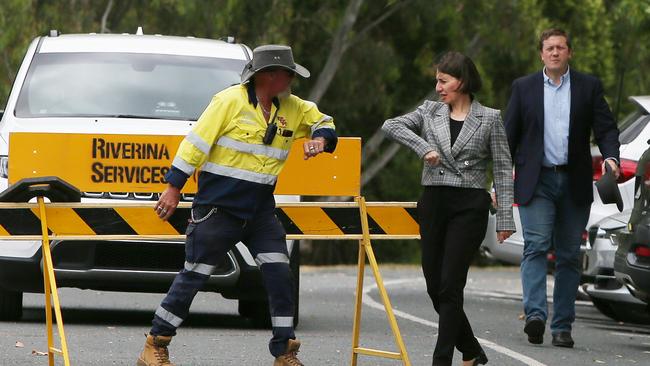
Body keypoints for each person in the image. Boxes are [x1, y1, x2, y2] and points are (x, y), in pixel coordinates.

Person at [136, 44, 337, 366]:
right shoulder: (228, 101)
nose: (292, 80)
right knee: (195, 275)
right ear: (270, 76)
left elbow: (324, 121)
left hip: (260, 212)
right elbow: (195, 145)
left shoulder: (294, 108)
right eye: (289, 74)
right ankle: (155, 343)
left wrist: (321, 140)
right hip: (219, 208)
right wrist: (173, 188)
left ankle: (285, 352)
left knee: (279, 274)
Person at [382, 51, 515, 366]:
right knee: (433, 285)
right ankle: (470, 349)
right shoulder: (429, 111)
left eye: (444, 80)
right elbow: (391, 126)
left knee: (451, 285)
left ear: (462, 81)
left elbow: (502, 166)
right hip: (434, 201)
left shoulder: (490, 117)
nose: (438, 87)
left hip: (469, 204)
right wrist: (423, 147)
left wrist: (505, 217)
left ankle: (441, 359)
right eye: (437, 81)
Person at [505, 28, 620, 348]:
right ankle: (535, 316)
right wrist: (499, 180)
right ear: (541, 54)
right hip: (536, 180)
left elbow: (607, 129)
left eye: (560, 48)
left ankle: (562, 326)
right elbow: (508, 138)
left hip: (574, 181)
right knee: (536, 246)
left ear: (569, 52)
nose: (555, 52)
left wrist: (611, 158)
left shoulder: (588, 87)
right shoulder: (523, 88)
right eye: (549, 48)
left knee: (569, 255)